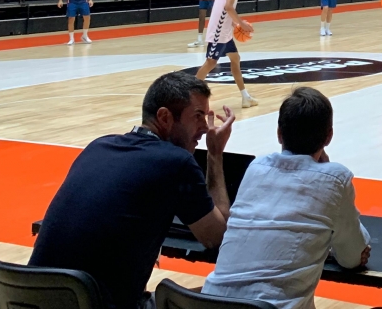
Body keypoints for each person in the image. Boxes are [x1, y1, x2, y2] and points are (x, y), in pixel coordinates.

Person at [30, 72, 235, 309]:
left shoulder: (98, 146)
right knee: (227, 298)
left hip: (28, 299)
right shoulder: (175, 162)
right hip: (98, 305)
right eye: (198, 116)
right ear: (165, 117)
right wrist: (214, 153)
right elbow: (216, 236)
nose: (205, 127)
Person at [203, 87, 370, 309]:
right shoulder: (336, 179)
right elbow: (351, 258)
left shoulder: (256, 167)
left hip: (208, 303)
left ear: (279, 134)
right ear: (329, 136)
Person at [196, 0, 258, 108]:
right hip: (219, 30)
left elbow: (219, 4)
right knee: (210, 62)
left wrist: (232, 24)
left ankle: (245, 97)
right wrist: (241, 23)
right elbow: (228, 6)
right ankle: (188, 96)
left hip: (224, 29)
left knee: (235, 59)